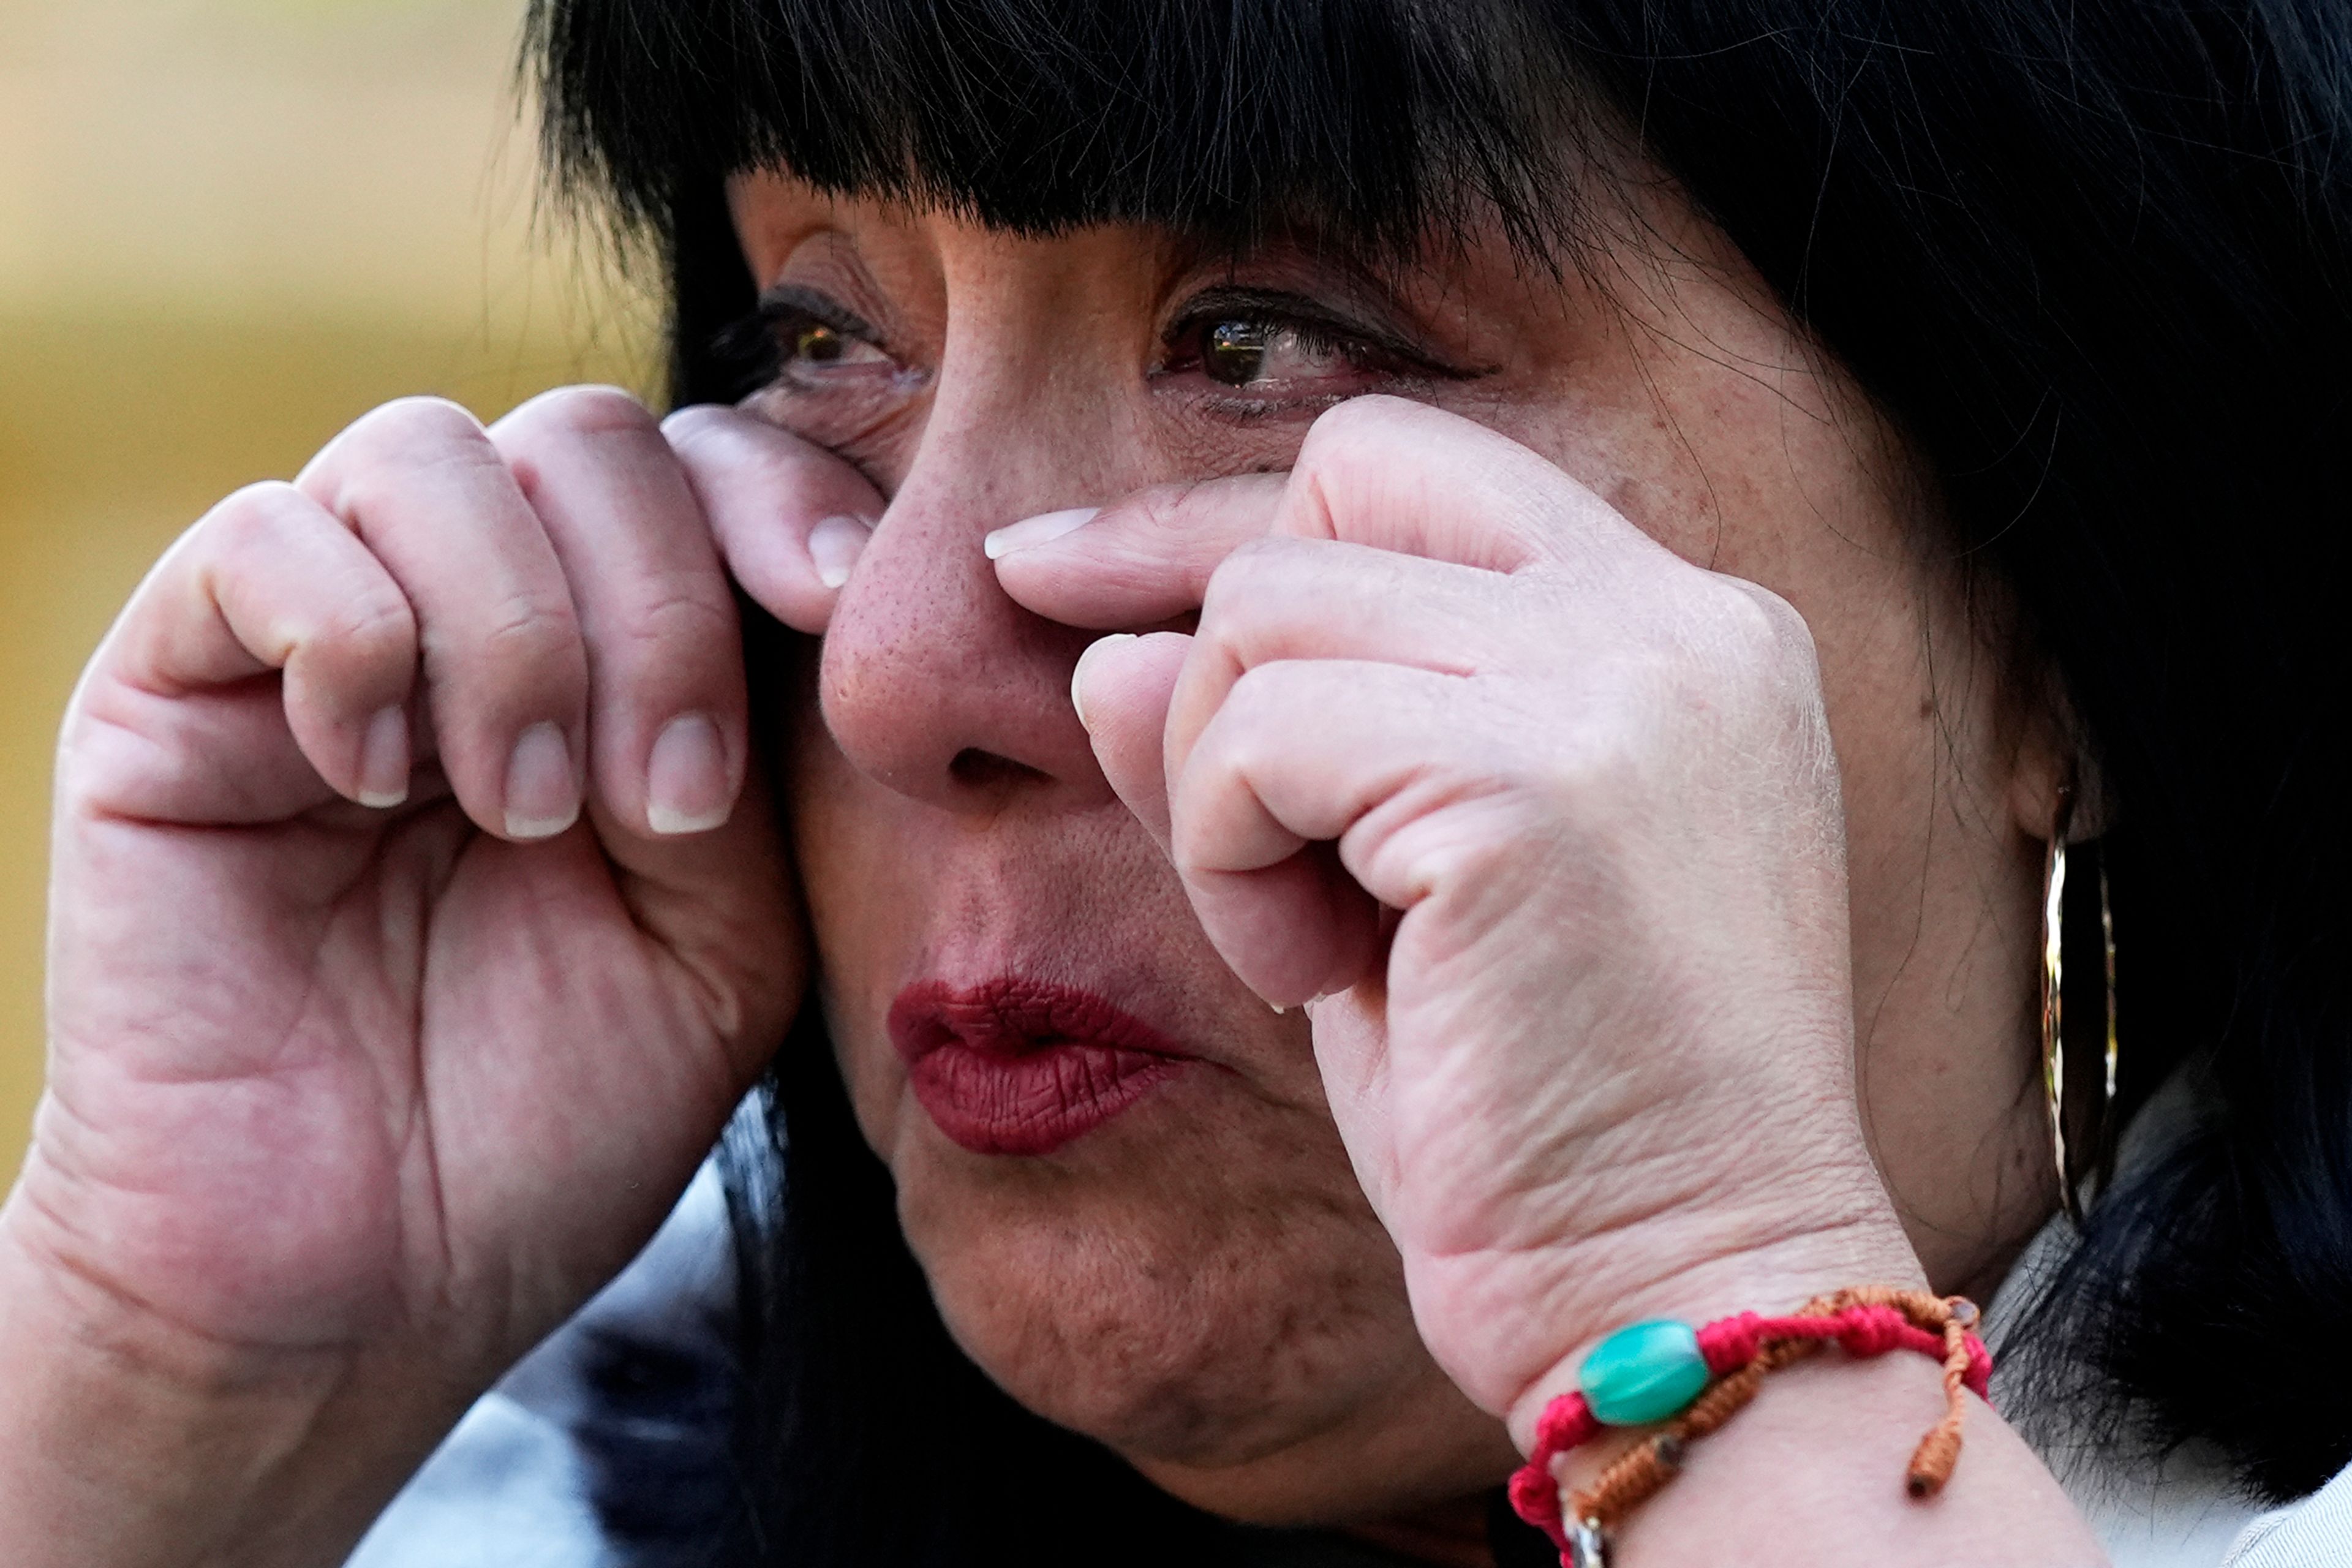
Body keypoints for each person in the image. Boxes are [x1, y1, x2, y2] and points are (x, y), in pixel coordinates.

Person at [6, 0, 2351, 1562]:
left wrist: (1726, 1334)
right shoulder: (521, 1474)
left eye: (1260, 344)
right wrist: (173, 1397)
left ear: (2077, 607)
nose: (901, 663)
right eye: (822, 335)